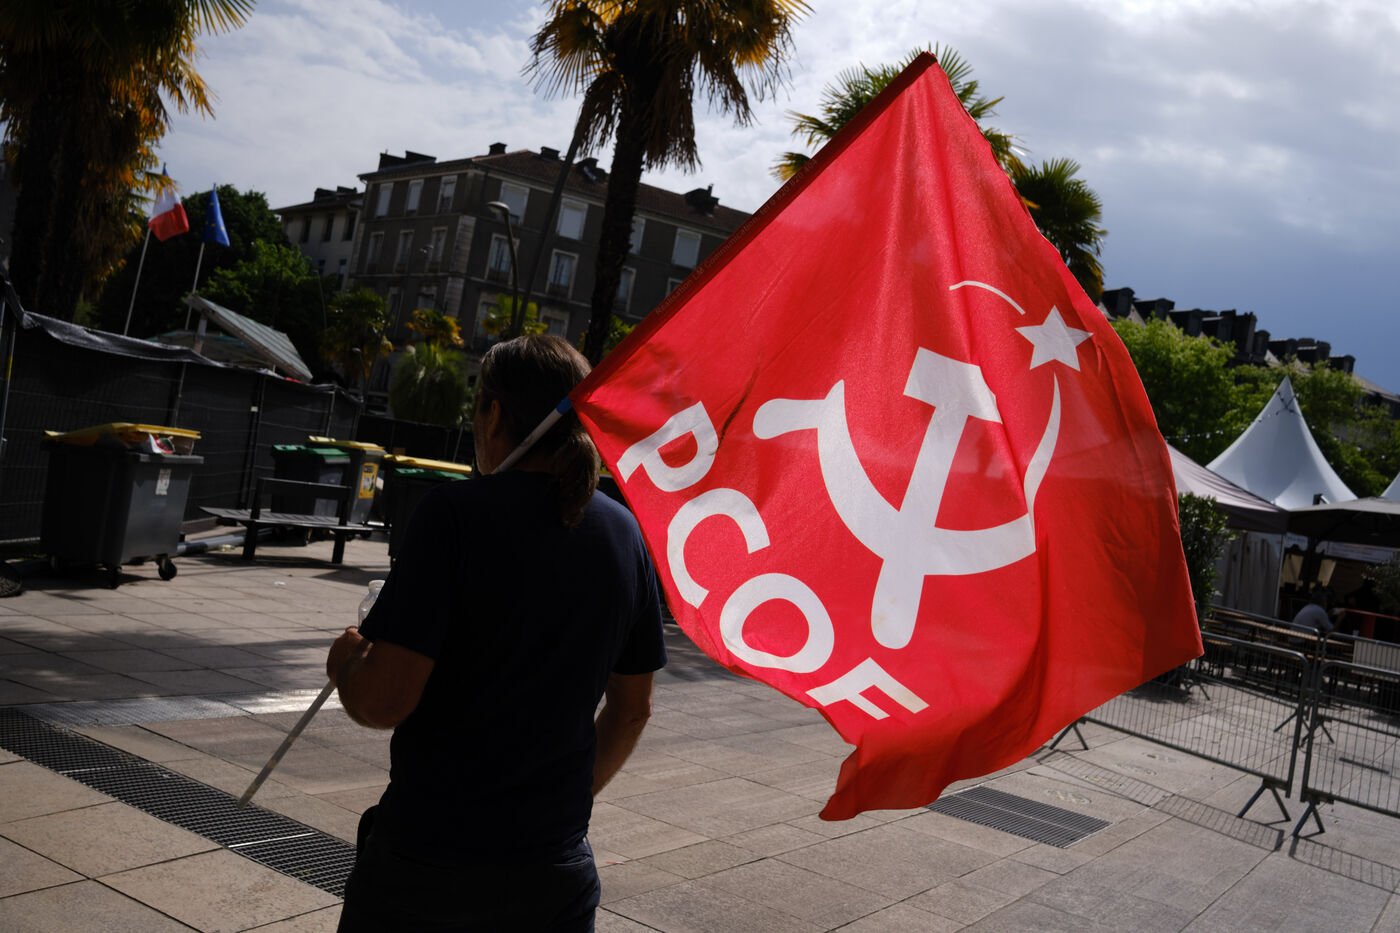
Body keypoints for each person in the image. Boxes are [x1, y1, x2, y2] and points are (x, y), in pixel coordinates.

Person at [327, 334, 667, 932]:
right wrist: (561, 802)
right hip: (554, 875)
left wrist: (346, 662)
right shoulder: (626, 535)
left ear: (492, 414)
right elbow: (632, 710)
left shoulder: (453, 515)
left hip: (427, 869)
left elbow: (383, 701)